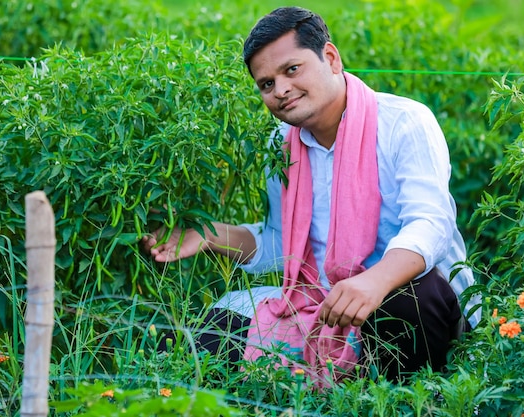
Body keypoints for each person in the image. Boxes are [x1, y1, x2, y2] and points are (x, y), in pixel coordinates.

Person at [142, 6, 480, 383]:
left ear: (331, 58)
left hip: (410, 303)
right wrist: (206, 235)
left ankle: (410, 399)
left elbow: (430, 224)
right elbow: (282, 242)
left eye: (291, 70)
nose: (281, 90)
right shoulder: (281, 144)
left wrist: (374, 281)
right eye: (266, 84)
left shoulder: (404, 122)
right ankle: (337, 378)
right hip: (322, 304)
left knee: (410, 298)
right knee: (187, 344)